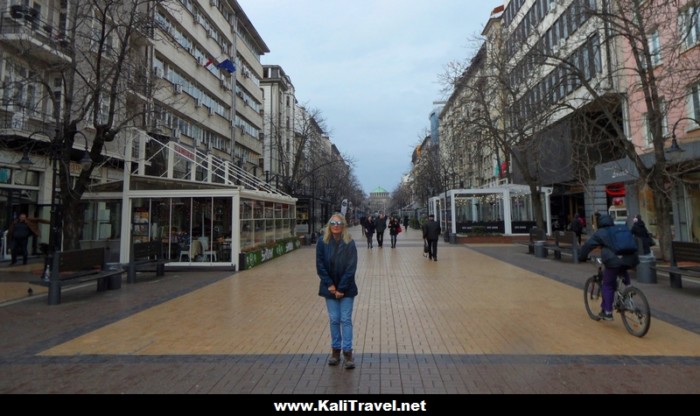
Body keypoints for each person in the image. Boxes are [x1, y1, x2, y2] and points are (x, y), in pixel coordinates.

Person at [578, 214, 639, 321]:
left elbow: (588, 245)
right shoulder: (619, 229)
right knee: (622, 268)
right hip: (630, 259)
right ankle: (629, 288)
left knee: (607, 285)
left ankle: (607, 312)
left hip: (613, 261)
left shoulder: (601, 233)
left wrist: (581, 257)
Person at [316, 213, 358, 369]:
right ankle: (335, 351)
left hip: (346, 288)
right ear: (329, 225)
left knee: (345, 319)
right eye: (333, 222)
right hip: (329, 288)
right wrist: (330, 285)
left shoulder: (350, 243)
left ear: (343, 225)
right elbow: (320, 265)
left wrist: (341, 288)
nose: (335, 225)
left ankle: (347, 353)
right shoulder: (322, 242)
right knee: (334, 319)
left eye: (338, 223)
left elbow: (351, 267)